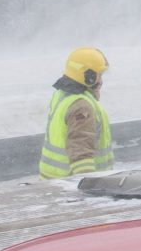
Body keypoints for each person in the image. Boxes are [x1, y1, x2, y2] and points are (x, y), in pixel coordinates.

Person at [40, 46, 114, 179]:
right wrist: (88, 184)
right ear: (88, 77)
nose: (101, 81)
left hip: (54, 182)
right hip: (69, 186)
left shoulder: (62, 95)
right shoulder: (81, 106)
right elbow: (80, 150)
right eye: (99, 75)